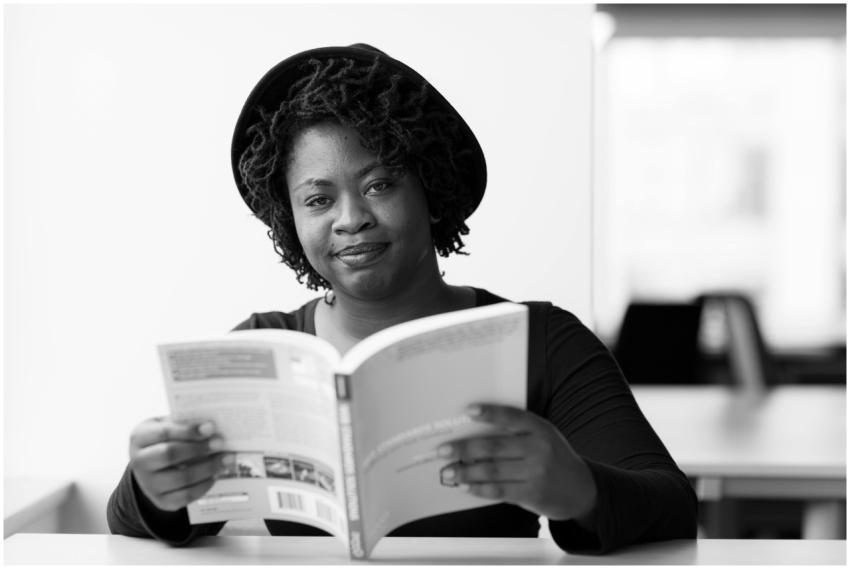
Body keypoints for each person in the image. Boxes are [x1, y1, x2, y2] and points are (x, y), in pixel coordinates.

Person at [107, 43, 697, 554]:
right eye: (318, 200)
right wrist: (154, 485)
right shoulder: (262, 349)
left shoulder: (540, 340)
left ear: (430, 188)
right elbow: (129, 523)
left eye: (379, 184)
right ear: (290, 222)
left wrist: (578, 488)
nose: (351, 219)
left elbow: (672, 505)